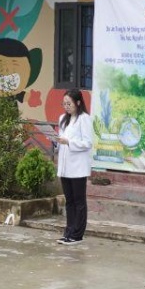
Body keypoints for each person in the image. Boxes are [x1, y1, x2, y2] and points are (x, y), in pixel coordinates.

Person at [55, 91, 95, 246]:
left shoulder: (84, 119)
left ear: (78, 103)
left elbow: (87, 143)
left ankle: (78, 234)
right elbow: (62, 141)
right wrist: (56, 141)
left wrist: (69, 142)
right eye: (64, 104)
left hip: (78, 167)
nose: (66, 107)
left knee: (79, 201)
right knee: (69, 201)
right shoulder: (62, 119)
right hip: (65, 166)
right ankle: (69, 231)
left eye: (69, 104)